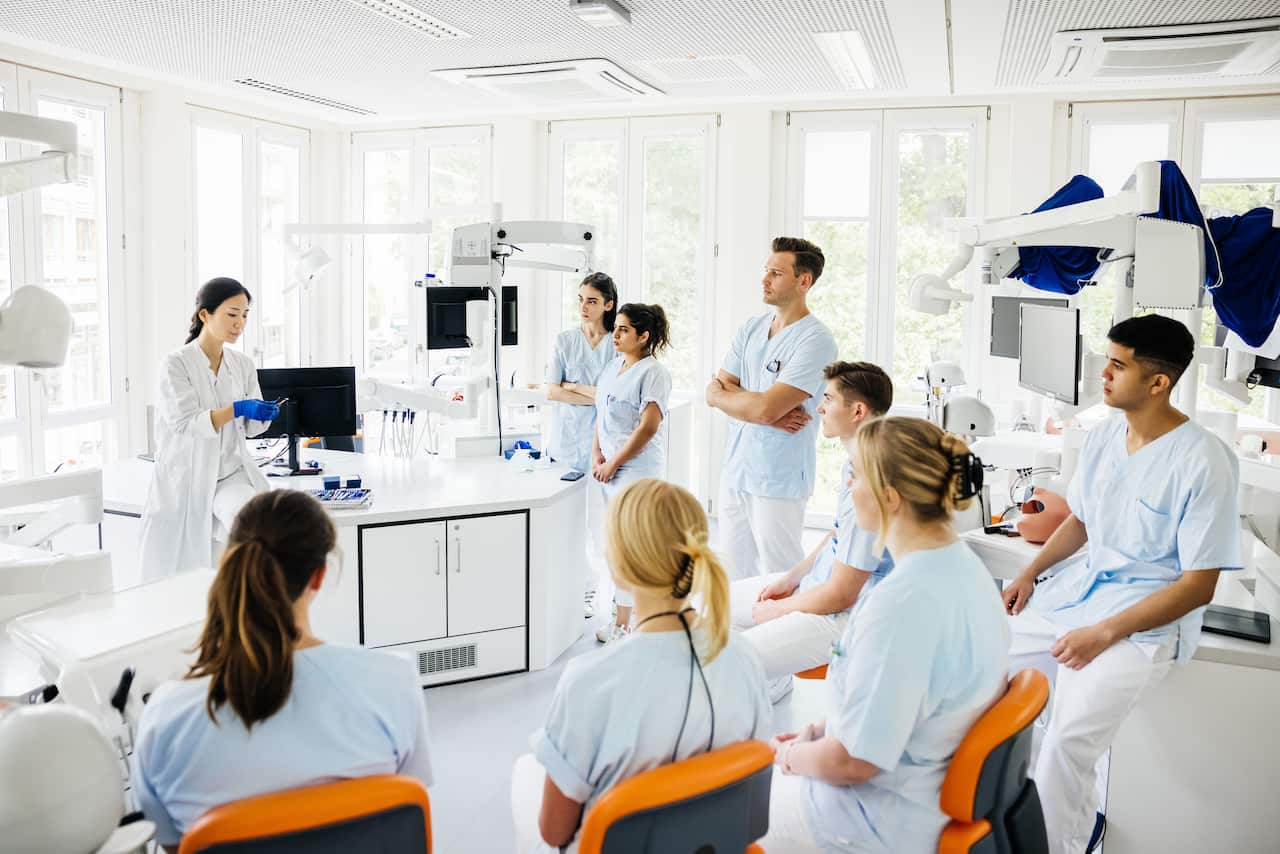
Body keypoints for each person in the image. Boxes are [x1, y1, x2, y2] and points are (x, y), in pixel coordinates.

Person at [1001, 314, 1241, 854]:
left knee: (1068, 741)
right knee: (979, 670)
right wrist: (1029, 574)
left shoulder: (1205, 461)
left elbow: (1198, 586)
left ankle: (1064, 840)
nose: (1103, 374)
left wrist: (1104, 633)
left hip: (1142, 624)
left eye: (1117, 364)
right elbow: (1082, 520)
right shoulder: (1108, 433)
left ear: (1158, 382)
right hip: (1076, 597)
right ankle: (1018, 809)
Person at [759, 417, 1010, 854]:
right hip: (919, 791)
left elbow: (852, 762)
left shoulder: (901, 605)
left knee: (696, 819)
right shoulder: (965, 569)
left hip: (873, 820)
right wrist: (819, 732)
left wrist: (791, 757)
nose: (848, 487)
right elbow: (899, 706)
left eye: (854, 475)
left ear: (889, 498)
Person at [132, 490, 433, 851]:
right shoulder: (393, 683)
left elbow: (173, 846)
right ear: (319, 576)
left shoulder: (166, 718)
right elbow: (400, 816)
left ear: (231, 563)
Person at [510, 478, 771, 854]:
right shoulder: (745, 659)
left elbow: (554, 832)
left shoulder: (589, 682)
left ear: (619, 566)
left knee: (525, 773)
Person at [729, 361, 894, 699]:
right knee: (711, 605)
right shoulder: (855, 462)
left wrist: (778, 611)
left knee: (726, 664)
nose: (819, 407)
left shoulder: (875, 479)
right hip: (818, 588)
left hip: (843, 615)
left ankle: (747, 690)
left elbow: (842, 595)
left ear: (858, 410)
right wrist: (790, 578)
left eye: (829, 400)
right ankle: (763, 682)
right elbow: (838, 534)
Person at [707, 236, 838, 581]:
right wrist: (756, 408)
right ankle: (736, 635)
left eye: (776, 273)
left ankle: (787, 635)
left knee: (780, 573)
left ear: (803, 281)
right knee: (734, 572)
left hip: (777, 474)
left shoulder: (816, 340)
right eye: (766, 271)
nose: (764, 280)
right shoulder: (751, 328)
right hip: (736, 469)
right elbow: (715, 391)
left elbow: (763, 408)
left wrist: (750, 406)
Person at [138, 278, 280, 582]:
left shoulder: (242, 364)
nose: (239, 323)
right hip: (186, 478)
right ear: (205, 314)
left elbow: (252, 430)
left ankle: (244, 602)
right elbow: (187, 422)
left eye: (244, 315)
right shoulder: (175, 364)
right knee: (172, 577)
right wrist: (239, 408)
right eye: (232, 314)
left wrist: (263, 415)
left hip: (229, 474)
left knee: (252, 523)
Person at [591, 303, 673, 642]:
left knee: (630, 553)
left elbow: (647, 427)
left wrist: (613, 462)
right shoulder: (613, 367)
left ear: (644, 336)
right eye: (617, 328)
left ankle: (627, 625)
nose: (617, 334)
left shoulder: (653, 373)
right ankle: (628, 620)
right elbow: (601, 413)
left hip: (636, 473)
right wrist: (597, 454)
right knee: (616, 550)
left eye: (625, 329)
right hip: (609, 472)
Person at [545, 272, 619, 619]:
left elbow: (613, 398)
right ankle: (578, 590)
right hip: (565, 445)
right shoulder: (565, 340)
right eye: (580, 299)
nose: (583, 307)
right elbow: (551, 390)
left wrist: (574, 387)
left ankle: (607, 595)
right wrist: (592, 393)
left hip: (603, 447)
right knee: (567, 524)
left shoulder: (617, 345)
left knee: (600, 526)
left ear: (608, 304)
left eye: (591, 300)